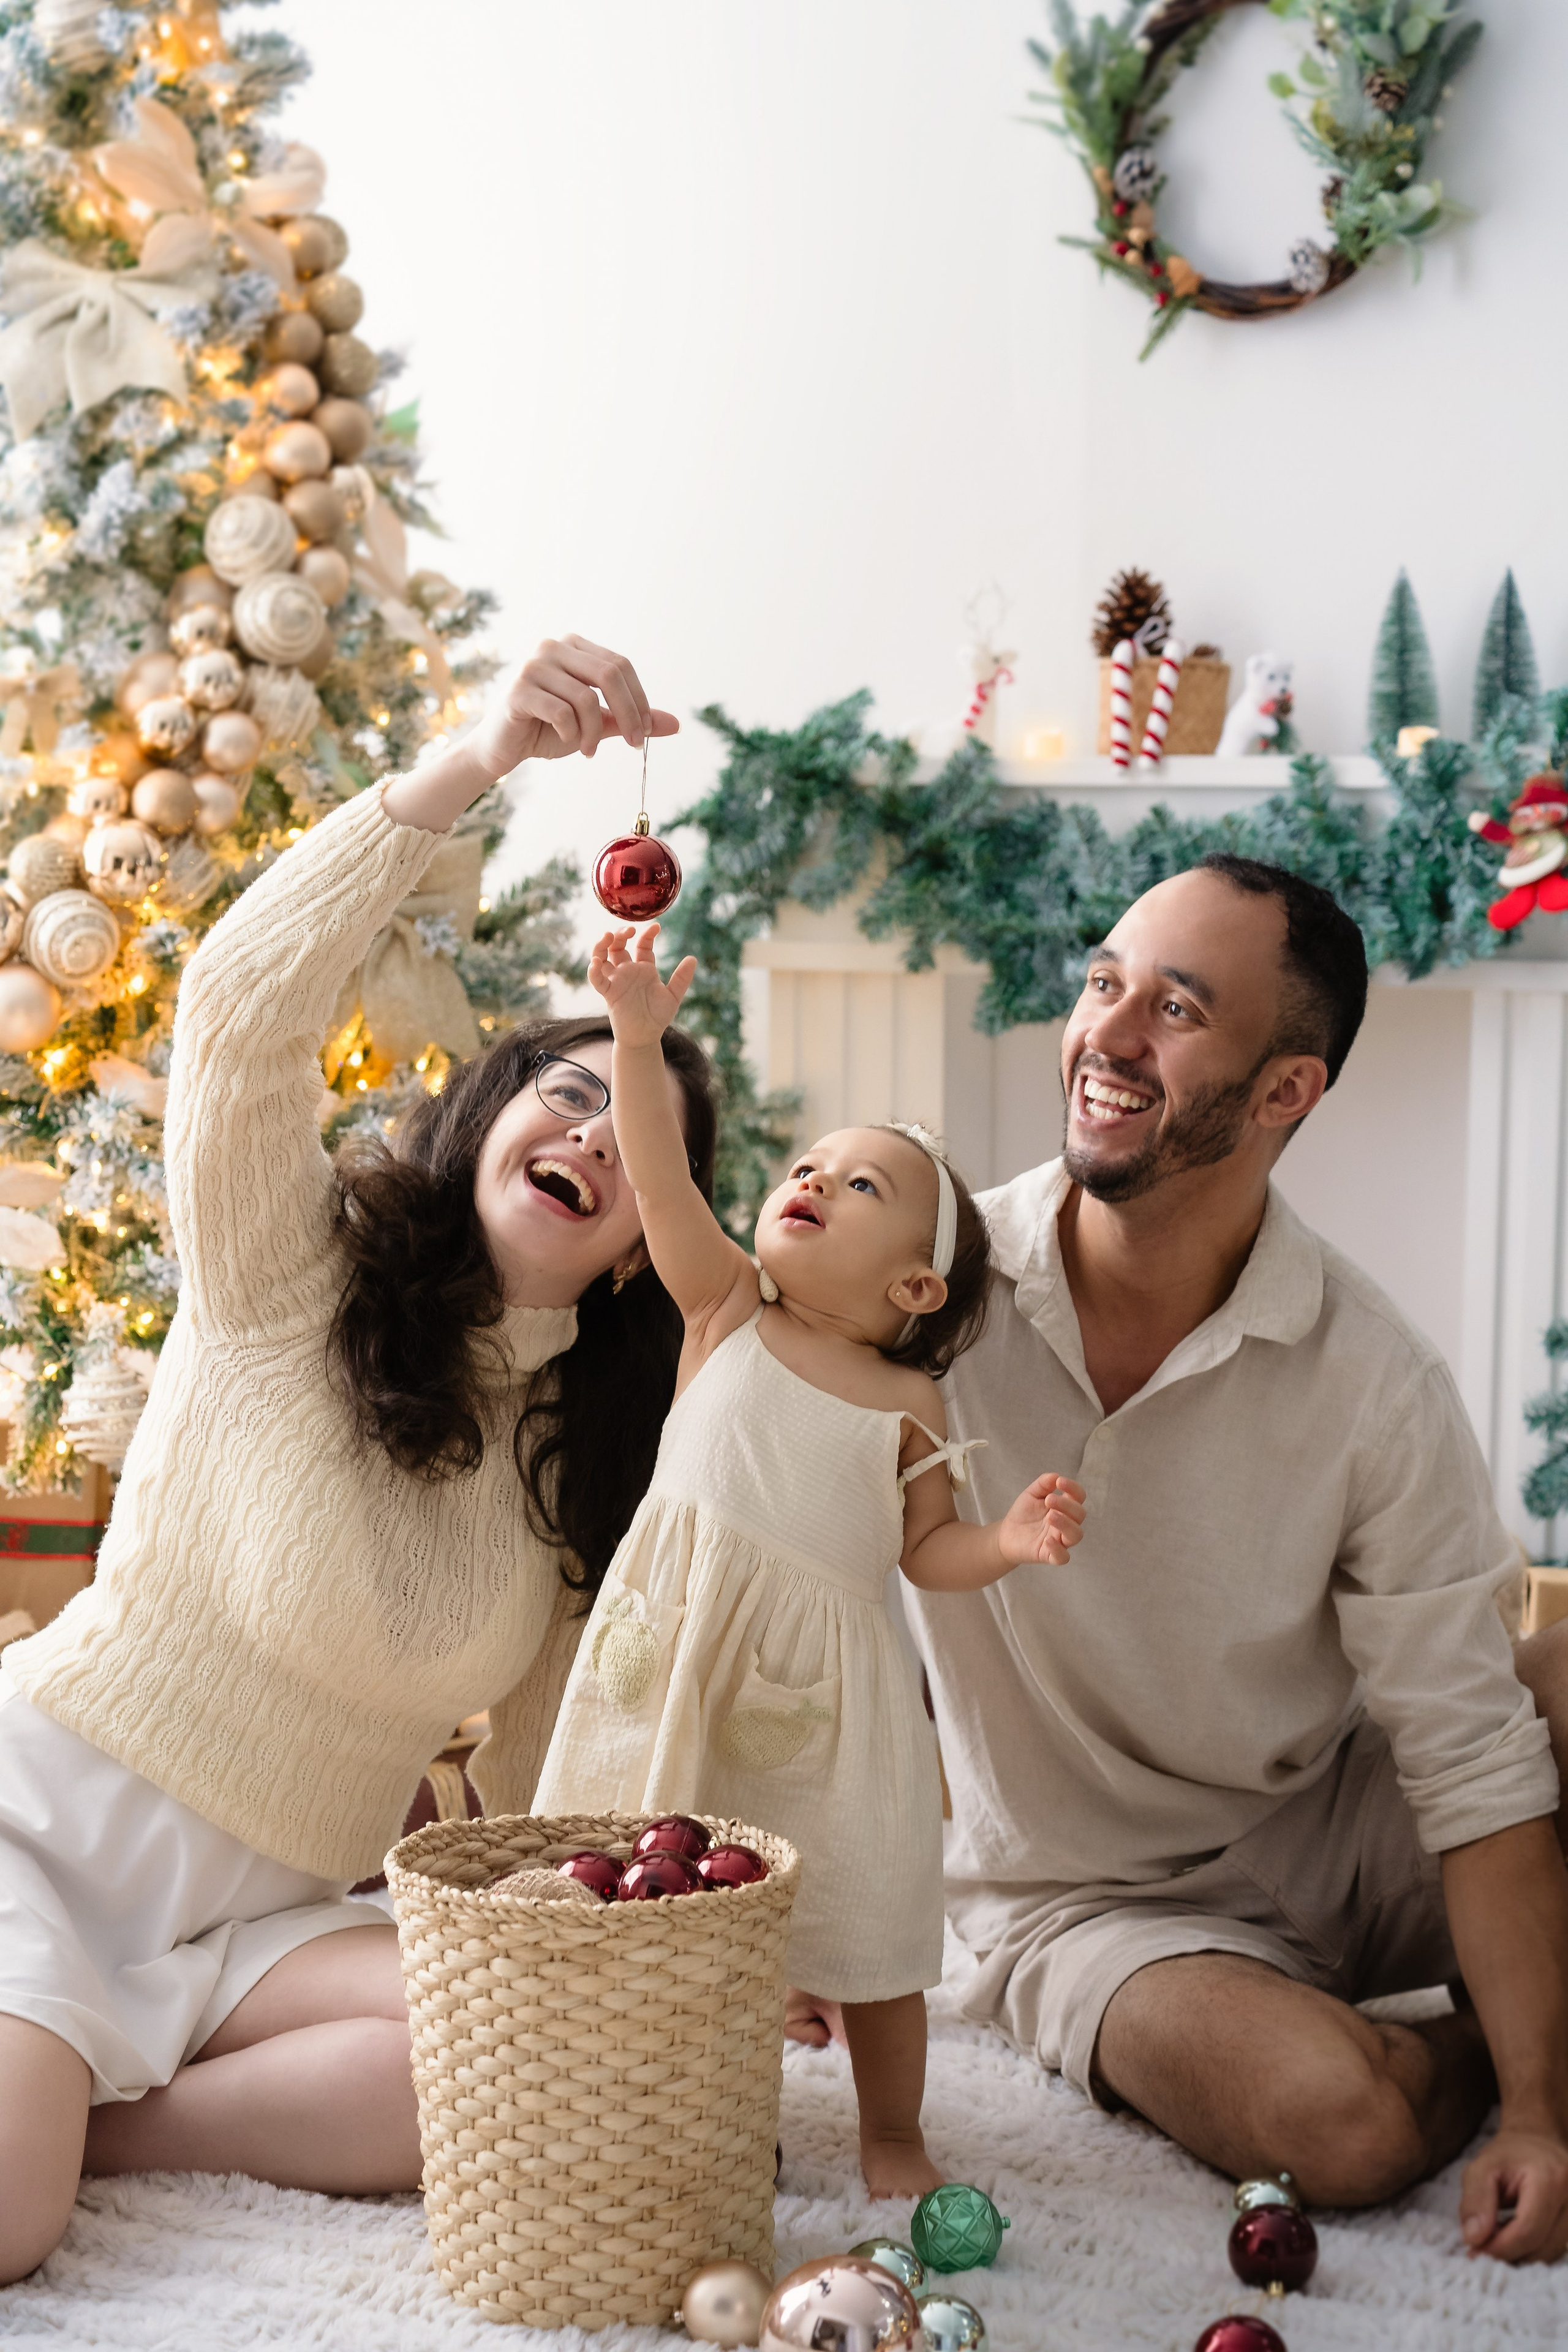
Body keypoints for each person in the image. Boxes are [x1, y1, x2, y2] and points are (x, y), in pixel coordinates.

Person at [0, 636, 706, 2283]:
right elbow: (236, 1016)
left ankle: (110, 2113)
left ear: (638, 1246)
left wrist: (660, 1923)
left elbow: (552, 1778)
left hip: (262, 1928)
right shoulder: (290, 1268)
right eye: (573, 1091)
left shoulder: (587, 1452)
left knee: (526, 2036)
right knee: (6, 2228)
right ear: (491, 1118)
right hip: (43, 1832)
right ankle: (51, 2114)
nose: (596, 1135)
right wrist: (473, 761)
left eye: (642, 1135)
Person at [873, 850, 1568, 2264]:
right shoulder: (926, 1291)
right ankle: (1458, 2053)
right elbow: (755, 1573)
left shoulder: (1369, 1374)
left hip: (1330, 1825)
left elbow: (1469, 1752)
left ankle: (1518, 2051)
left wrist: (1541, 2123)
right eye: (1101, 983)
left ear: (1283, 1092)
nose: (1104, 1039)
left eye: (1173, 1009)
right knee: (1342, 2128)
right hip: (1082, 1904)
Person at [533, 921, 1087, 2196]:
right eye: (807, 1165)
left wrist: (1001, 1541)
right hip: (674, 1648)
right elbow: (662, 1180)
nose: (813, 1181)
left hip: (824, 1699)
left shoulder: (910, 1406)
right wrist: (630, 1036)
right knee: (652, 1886)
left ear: (912, 1290)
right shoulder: (727, 1307)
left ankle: (891, 2128)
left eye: (859, 1189)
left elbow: (925, 1551)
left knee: (865, 1919)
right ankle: (682, 2093)